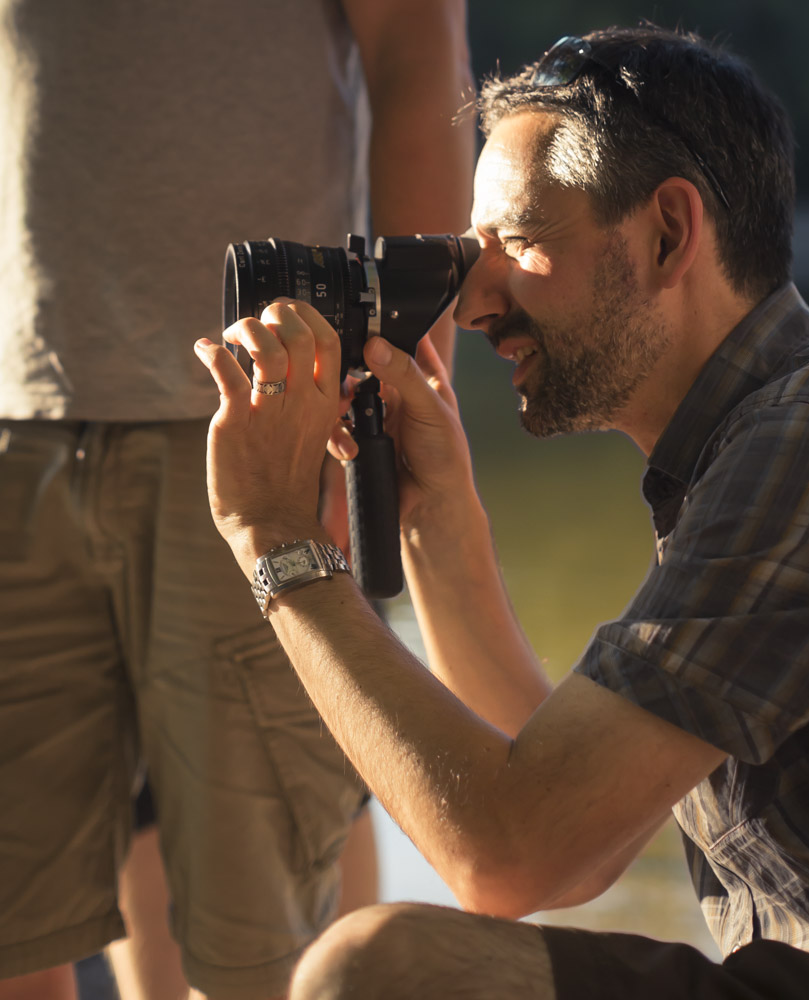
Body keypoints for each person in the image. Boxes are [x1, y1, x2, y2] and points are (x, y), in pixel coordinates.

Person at [193, 24, 809, 1000]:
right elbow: (576, 826)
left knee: (380, 971)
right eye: (471, 251)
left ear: (667, 232)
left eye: (520, 243)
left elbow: (513, 853)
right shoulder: (764, 439)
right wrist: (434, 521)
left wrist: (277, 544)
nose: (475, 300)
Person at [0, 2, 473, 998]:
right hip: (16, 415)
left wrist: (386, 400)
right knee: (14, 926)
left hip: (262, 416)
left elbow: (417, 54)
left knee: (266, 952)